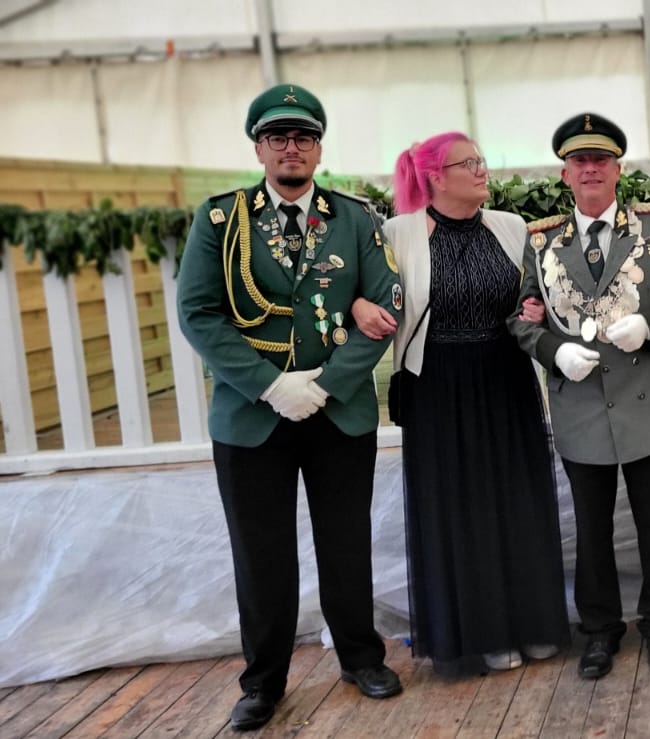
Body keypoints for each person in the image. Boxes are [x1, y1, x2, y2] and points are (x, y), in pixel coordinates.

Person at [176, 84, 402, 732]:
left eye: (303, 136)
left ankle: (361, 657)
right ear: (259, 149)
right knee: (261, 555)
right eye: (278, 137)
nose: (291, 147)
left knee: (346, 543)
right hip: (252, 416)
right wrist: (272, 386)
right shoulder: (220, 220)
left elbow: (386, 302)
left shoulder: (355, 218)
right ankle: (263, 681)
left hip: (338, 411)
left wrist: (325, 384)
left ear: (318, 148)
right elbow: (198, 312)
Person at [507, 112, 650, 680]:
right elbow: (522, 318)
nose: (590, 169)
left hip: (648, 397)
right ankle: (599, 631)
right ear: (565, 174)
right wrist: (553, 351)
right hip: (581, 401)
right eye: (580, 161)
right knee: (591, 527)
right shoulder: (542, 240)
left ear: (618, 170)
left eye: (600, 159)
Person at [360, 131, 569, 676]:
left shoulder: (511, 226)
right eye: (469, 163)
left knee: (519, 500)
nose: (482, 170)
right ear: (435, 176)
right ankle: (484, 634)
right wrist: (360, 306)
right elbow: (370, 295)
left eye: (481, 160)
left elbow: (532, 297)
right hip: (438, 387)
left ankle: (533, 624)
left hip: (506, 377)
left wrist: (533, 311)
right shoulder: (398, 232)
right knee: (460, 510)